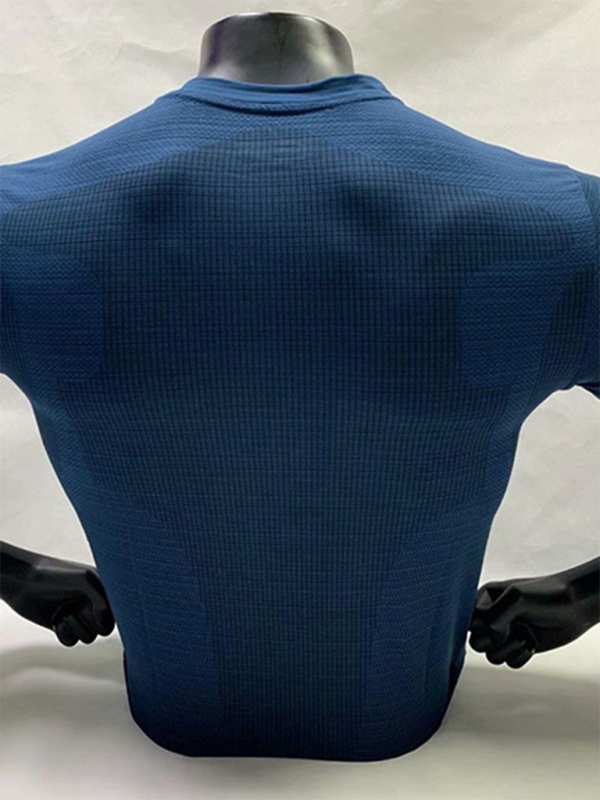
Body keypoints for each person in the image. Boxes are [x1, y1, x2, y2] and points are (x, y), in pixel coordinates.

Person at [1, 9, 600, 762]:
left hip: (153, 737)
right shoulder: (561, 224)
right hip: (412, 735)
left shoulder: (21, 223)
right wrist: (585, 594)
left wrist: (15, 573)